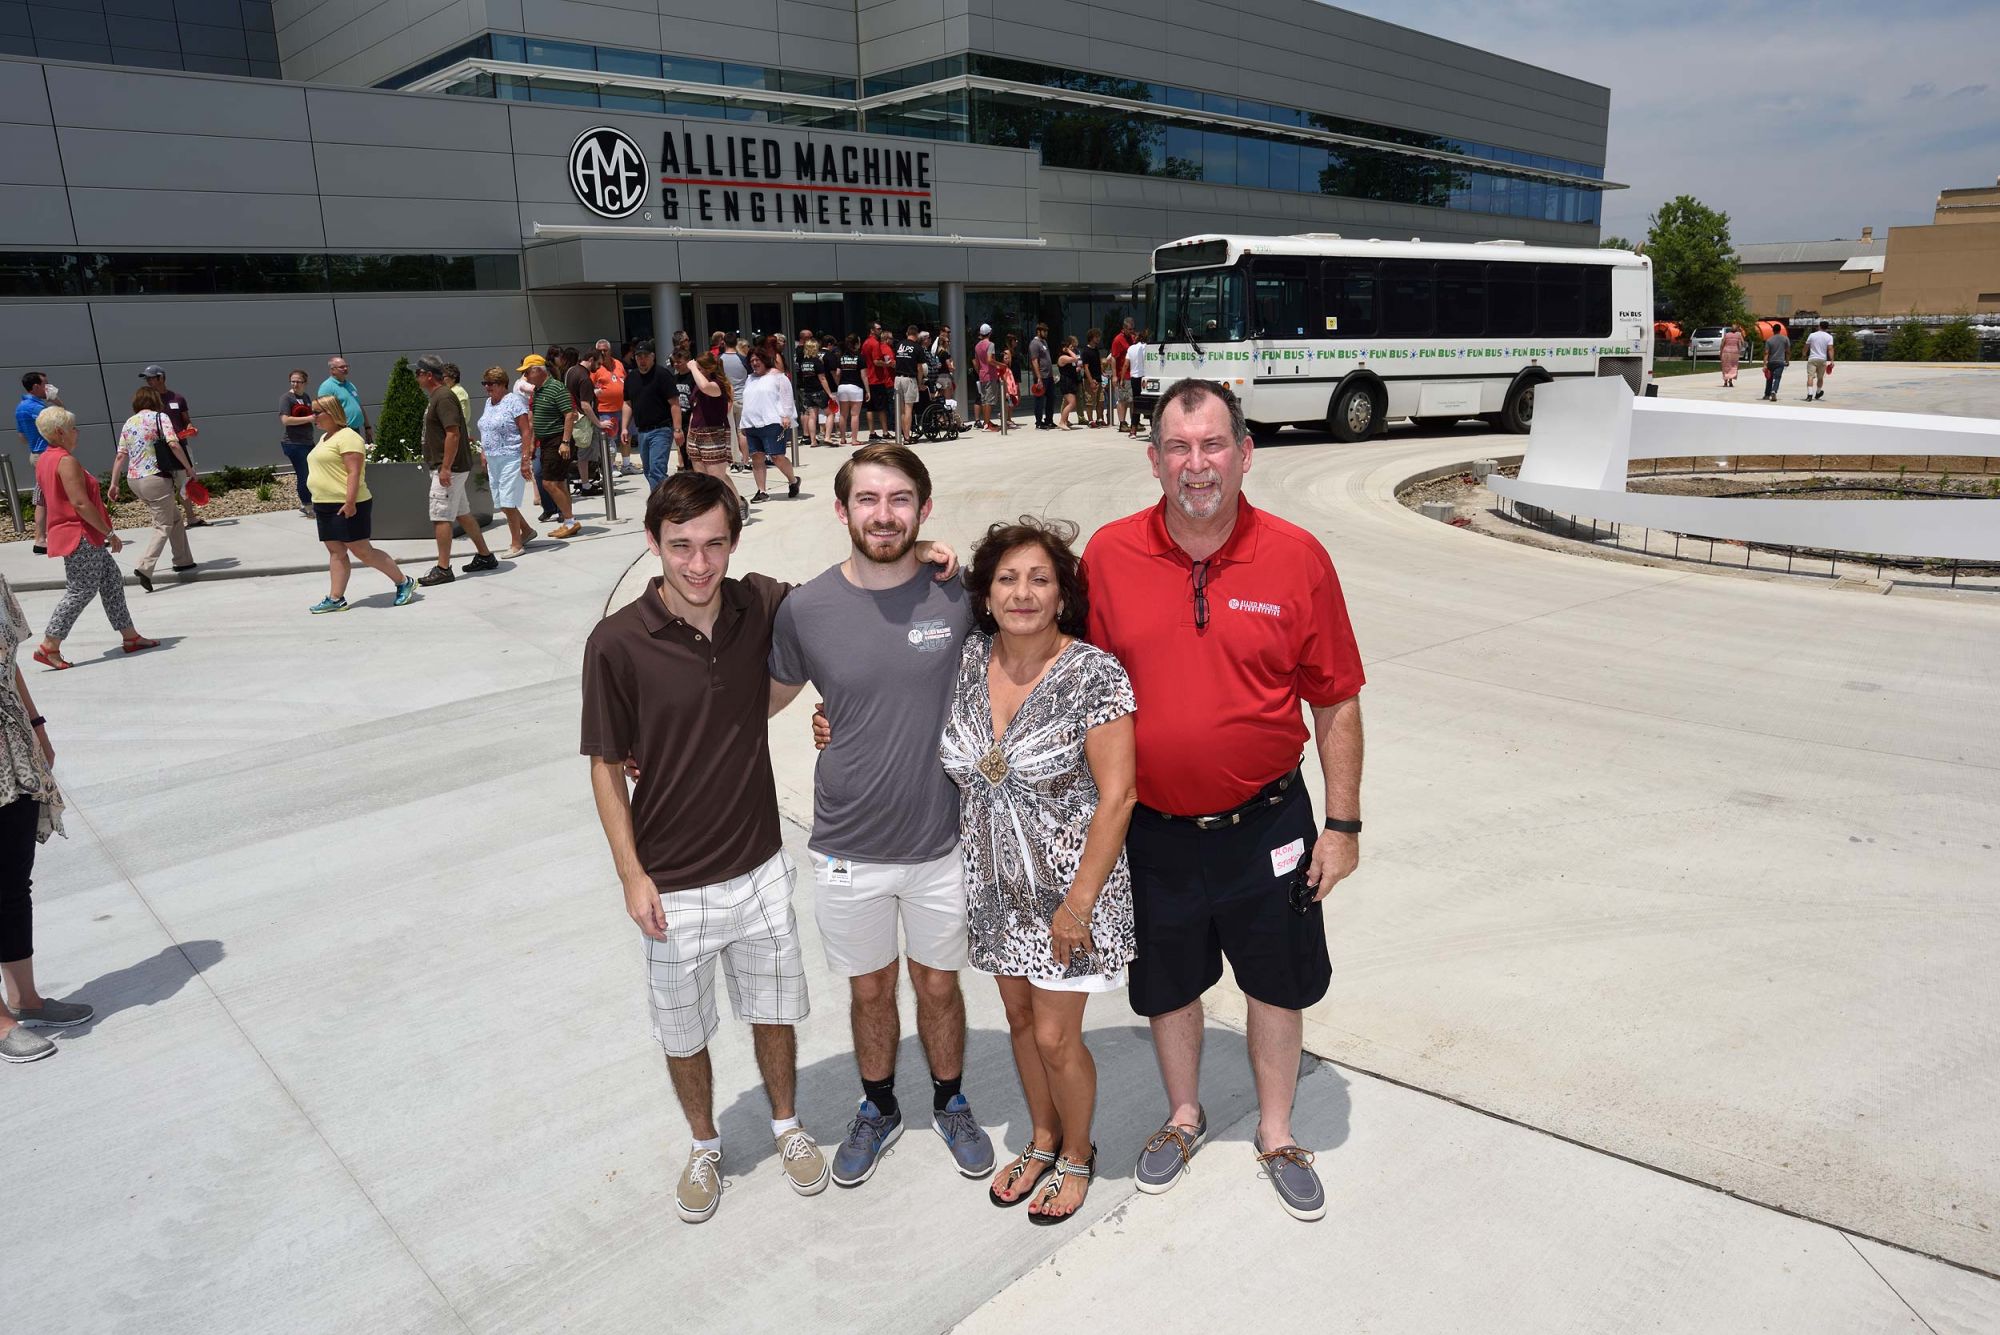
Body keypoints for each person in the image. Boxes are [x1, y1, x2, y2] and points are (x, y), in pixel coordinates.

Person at [1083, 378, 1365, 1224]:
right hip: (1152, 829)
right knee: (1168, 983)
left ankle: (1277, 1131)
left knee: (1276, 980)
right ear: (1154, 460)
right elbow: (1037, 642)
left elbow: (1336, 699)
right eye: (1179, 447)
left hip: (1268, 823)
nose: (1196, 464)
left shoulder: (1297, 557)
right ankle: (1184, 1115)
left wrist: (1343, 824)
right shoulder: (1108, 556)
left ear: (1245, 454)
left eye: (1212, 445)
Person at [581, 472, 828, 1225]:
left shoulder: (760, 603)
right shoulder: (616, 643)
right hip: (671, 882)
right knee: (682, 1030)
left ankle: (786, 1125)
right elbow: (605, 764)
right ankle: (704, 1143)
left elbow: (848, 601)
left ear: (734, 543)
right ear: (652, 543)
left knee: (774, 1013)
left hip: (759, 865)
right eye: (681, 545)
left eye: (714, 544)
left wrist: (928, 555)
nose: (699, 563)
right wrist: (632, 875)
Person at [767, 442, 995, 1190]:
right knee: (869, 989)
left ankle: (950, 1100)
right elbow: (760, 701)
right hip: (848, 845)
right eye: (867, 498)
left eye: (900, 499)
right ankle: (879, 1106)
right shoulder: (806, 609)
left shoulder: (959, 595)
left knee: (938, 985)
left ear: (924, 509)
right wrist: (656, 743)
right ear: (842, 510)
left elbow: (1030, 642)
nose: (884, 513)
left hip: (943, 841)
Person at [942, 519, 1136, 1221]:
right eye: (1007, 579)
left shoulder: (1094, 674)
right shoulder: (968, 659)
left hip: (1070, 894)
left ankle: (1078, 1154)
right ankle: (1043, 1137)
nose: (1022, 592)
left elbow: (1119, 795)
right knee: (1020, 1020)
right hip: (995, 887)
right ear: (986, 594)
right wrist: (831, 723)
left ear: (1062, 596)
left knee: (1057, 1036)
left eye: (1039, 579)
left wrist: (1078, 903)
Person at [0, 572, 92, 1064]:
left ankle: (26, 999)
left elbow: (10, 662)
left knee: (13, 881)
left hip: (10, 743)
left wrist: (36, 725)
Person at [29, 407, 158, 669]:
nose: (77, 432)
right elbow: (80, 503)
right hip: (80, 534)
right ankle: (49, 645)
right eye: (73, 428)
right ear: (60, 432)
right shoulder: (65, 461)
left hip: (77, 534)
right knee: (80, 590)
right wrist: (109, 533)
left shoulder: (45, 459)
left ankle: (130, 636)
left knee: (111, 581)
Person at [305, 396, 417, 614]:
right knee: (336, 551)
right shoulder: (325, 437)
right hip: (324, 504)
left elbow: (354, 472)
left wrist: (350, 502)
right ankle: (336, 598)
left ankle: (404, 582)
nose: (313, 416)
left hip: (348, 503)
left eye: (317, 412)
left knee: (363, 551)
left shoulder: (348, 437)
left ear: (332, 412)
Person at [413, 354, 497, 586]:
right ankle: (485, 556)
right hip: (449, 467)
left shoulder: (443, 397)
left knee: (440, 517)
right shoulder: (438, 396)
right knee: (462, 513)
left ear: (428, 375)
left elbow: (453, 433)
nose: (416, 377)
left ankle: (443, 568)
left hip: (449, 468)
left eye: (418, 373)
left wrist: (445, 468)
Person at [105, 386, 194, 594]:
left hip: (134, 480)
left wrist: (114, 483)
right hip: (155, 478)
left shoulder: (129, 422)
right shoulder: (160, 417)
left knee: (174, 518)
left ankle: (183, 560)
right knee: (163, 525)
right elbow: (173, 444)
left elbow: (120, 455)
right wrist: (188, 468)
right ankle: (145, 567)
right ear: (155, 400)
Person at [477, 367, 537, 557]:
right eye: (485, 383)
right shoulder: (489, 402)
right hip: (493, 458)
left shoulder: (513, 401)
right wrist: (484, 451)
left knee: (508, 502)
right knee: (501, 502)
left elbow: (525, 431)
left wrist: (525, 459)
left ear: (503, 384)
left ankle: (516, 543)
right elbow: (487, 428)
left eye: (491, 383)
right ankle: (527, 530)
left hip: (511, 456)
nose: (487, 387)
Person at [523, 354, 582, 540]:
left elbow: (569, 415)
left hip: (557, 441)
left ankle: (570, 520)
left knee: (549, 483)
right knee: (558, 482)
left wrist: (565, 442)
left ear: (538, 370)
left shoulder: (556, 388)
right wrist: (532, 443)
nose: (525, 376)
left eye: (527, 372)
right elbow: (535, 420)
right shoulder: (538, 390)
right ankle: (569, 522)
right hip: (547, 442)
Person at [142, 366, 202, 529]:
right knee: (162, 485)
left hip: (180, 447)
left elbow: (186, 421)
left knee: (184, 482)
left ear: (161, 378)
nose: (148, 381)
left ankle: (191, 518)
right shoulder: (148, 402)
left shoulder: (178, 398)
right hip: (158, 450)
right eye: (147, 378)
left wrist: (190, 429)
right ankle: (167, 521)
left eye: (151, 377)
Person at [686, 352, 744, 520]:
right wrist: (689, 433)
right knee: (702, 477)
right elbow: (694, 410)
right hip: (696, 433)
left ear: (708, 368)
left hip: (713, 434)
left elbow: (706, 387)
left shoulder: (718, 385)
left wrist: (692, 367)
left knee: (717, 477)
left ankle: (739, 503)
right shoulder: (698, 383)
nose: (697, 370)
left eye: (700, 368)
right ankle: (708, 510)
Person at [741, 348, 800, 504]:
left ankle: (793, 480)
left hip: (773, 422)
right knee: (757, 457)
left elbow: (787, 397)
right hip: (752, 423)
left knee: (776, 457)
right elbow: (748, 401)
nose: (754, 363)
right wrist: (743, 423)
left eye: (757, 360)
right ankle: (762, 491)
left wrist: (786, 415)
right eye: (752, 361)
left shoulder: (778, 377)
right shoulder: (750, 379)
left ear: (765, 360)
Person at [622, 340, 677, 490]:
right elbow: (627, 403)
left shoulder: (662, 375)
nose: (642, 359)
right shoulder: (631, 378)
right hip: (642, 431)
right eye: (639, 356)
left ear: (653, 356)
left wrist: (678, 429)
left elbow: (674, 403)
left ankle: (660, 502)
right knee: (648, 471)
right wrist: (624, 428)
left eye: (645, 356)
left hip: (661, 429)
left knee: (656, 471)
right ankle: (666, 496)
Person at [15, 373, 51, 552]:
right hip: (47, 455)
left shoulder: (20, 407)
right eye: (45, 384)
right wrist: (56, 400)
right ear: (36, 386)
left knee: (43, 498)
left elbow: (22, 437)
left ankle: (41, 539)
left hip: (36, 454)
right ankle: (41, 539)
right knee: (73, 491)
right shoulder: (36, 407)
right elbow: (60, 425)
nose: (48, 387)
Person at [593, 339, 634, 475]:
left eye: (605, 350)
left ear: (610, 350)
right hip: (605, 410)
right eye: (600, 350)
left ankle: (626, 465)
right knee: (610, 439)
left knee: (626, 436)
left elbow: (625, 381)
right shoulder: (595, 367)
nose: (603, 353)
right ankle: (610, 467)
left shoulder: (618, 364)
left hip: (623, 407)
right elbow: (589, 387)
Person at [279, 369, 317, 516]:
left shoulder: (306, 397)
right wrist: (309, 418)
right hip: (294, 443)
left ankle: (311, 502)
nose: (295, 384)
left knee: (313, 473)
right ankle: (307, 506)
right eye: (293, 381)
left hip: (307, 441)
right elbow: (285, 420)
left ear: (305, 382)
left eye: (298, 381)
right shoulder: (286, 398)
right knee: (304, 474)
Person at [564, 348, 601, 496]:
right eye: (598, 363)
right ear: (591, 360)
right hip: (583, 421)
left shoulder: (571, 371)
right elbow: (585, 405)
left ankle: (583, 483)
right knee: (585, 454)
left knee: (577, 453)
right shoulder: (585, 378)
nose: (598, 367)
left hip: (572, 418)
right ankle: (586, 485)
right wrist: (598, 423)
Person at [319, 355, 372, 443]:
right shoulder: (326, 387)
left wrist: (367, 427)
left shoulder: (350, 385)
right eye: (341, 367)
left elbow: (359, 406)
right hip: (341, 431)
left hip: (356, 429)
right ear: (332, 370)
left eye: (346, 366)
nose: (345, 368)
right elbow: (324, 411)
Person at [720, 337, 751, 469]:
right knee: (742, 432)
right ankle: (746, 461)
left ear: (724, 343)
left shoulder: (720, 359)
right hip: (742, 398)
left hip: (727, 399)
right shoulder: (743, 359)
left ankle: (734, 462)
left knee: (730, 432)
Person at [862, 322, 895, 442]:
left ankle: (872, 432)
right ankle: (885, 432)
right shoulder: (875, 343)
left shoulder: (865, 343)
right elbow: (876, 361)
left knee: (870, 408)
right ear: (872, 330)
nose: (880, 330)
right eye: (878, 329)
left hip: (868, 378)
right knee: (882, 408)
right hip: (877, 379)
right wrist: (887, 364)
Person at [834, 334, 866, 446]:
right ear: (856, 344)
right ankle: (854, 439)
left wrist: (839, 384)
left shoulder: (841, 357)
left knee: (843, 414)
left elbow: (838, 373)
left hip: (842, 387)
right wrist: (868, 390)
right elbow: (864, 376)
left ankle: (842, 438)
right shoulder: (860, 357)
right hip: (856, 387)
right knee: (855, 415)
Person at [894, 323, 923, 443]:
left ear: (907, 333)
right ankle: (907, 437)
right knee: (908, 409)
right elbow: (920, 368)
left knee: (901, 410)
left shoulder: (899, 345)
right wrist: (920, 383)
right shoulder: (917, 348)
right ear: (917, 335)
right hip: (909, 379)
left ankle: (902, 435)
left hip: (897, 379)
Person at [812, 333, 841, 447]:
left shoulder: (816, 354)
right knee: (834, 409)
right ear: (829, 344)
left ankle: (822, 431)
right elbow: (834, 372)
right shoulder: (830, 355)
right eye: (833, 345)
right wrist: (838, 383)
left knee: (821, 410)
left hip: (818, 386)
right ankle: (837, 430)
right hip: (830, 386)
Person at [1109, 318, 1135, 433]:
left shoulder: (1132, 338)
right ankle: (1122, 423)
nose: (1131, 331)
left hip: (1133, 374)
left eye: (1132, 329)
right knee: (1122, 399)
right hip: (1122, 375)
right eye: (1129, 329)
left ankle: (1134, 422)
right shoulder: (1118, 340)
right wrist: (1115, 376)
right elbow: (1113, 358)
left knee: (1132, 400)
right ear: (1124, 328)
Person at [1123, 329, 1150, 435]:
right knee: (1149, 402)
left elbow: (1126, 364)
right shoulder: (1147, 347)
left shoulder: (1131, 348)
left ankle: (1133, 430)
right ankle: (1153, 430)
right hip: (1145, 377)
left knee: (1136, 403)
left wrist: (1122, 378)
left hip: (1134, 378)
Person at [1028, 323, 1055, 430]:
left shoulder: (1044, 342)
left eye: (1047, 331)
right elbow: (1034, 361)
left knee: (1051, 398)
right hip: (1041, 376)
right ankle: (1038, 422)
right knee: (1039, 400)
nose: (1046, 333)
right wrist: (1038, 377)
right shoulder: (1034, 344)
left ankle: (1049, 420)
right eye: (1044, 331)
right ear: (1038, 331)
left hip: (1049, 376)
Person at [974, 324, 999, 432]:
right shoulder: (990, 344)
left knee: (984, 400)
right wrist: (1001, 365)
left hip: (982, 375)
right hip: (990, 375)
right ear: (990, 333)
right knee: (989, 400)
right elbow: (990, 360)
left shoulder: (977, 346)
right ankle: (987, 424)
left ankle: (986, 422)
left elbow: (977, 363)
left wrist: (980, 372)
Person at [1080, 329, 1106, 427]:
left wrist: (1102, 372)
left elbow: (1098, 362)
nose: (1098, 339)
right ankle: (1090, 421)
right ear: (1091, 338)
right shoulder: (1086, 351)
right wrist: (1091, 381)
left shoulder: (1096, 349)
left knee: (1101, 400)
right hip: (1090, 380)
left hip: (1098, 378)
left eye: (1099, 337)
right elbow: (1086, 367)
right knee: (1090, 401)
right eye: (1096, 337)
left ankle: (1099, 418)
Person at [1055, 335, 1081, 430]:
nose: (1073, 349)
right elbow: (1075, 359)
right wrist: (1069, 350)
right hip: (1066, 382)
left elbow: (1074, 363)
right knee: (1072, 403)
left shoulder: (1067, 357)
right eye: (1071, 347)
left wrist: (1076, 369)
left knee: (1067, 403)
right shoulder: (1062, 357)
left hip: (1071, 380)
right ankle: (1062, 422)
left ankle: (1065, 421)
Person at [1804, 320, 1834, 402]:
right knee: (1820, 378)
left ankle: (1809, 395)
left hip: (1812, 358)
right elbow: (1830, 349)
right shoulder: (1829, 337)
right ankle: (1818, 393)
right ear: (1827, 328)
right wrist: (1832, 360)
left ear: (1819, 326)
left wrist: (1804, 354)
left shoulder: (1812, 335)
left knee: (1810, 377)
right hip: (1822, 359)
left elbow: (1806, 346)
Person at [1761, 320, 1790, 401]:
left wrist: (1765, 364)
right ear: (1780, 330)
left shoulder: (1769, 340)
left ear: (1773, 330)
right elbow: (1788, 351)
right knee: (1777, 377)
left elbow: (1766, 353)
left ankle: (1767, 394)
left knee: (1769, 378)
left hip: (1771, 362)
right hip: (1780, 362)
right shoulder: (1785, 339)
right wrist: (1787, 361)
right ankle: (1774, 391)